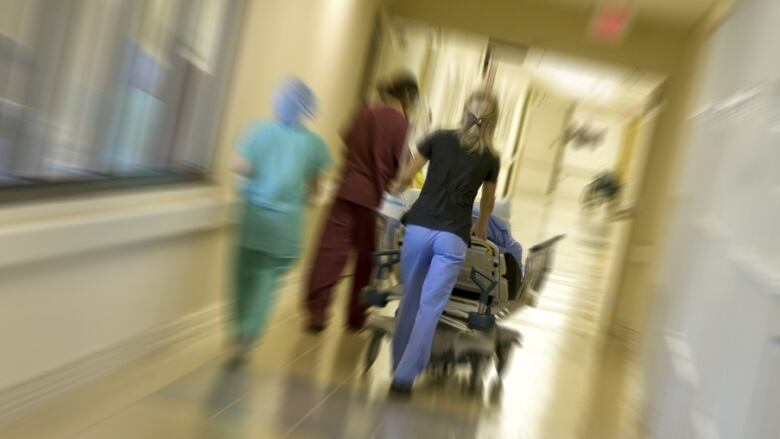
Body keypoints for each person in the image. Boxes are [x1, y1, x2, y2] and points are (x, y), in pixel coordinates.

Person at [388, 89, 501, 394]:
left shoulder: (437, 137)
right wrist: (481, 224)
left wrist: (396, 186)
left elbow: (407, 175)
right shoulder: (491, 157)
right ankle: (404, 379)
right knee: (431, 307)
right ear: (493, 121)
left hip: (419, 228)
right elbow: (487, 203)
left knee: (410, 297)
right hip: (452, 237)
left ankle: (397, 362)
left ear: (465, 110)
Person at [229, 77, 332, 367]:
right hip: (285, 225)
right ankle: (249, 333)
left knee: (242, 278)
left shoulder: (259, 132)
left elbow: (240, 166)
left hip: (253, 219)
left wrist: (256, 174)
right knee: (266, 281)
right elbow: (315, 189)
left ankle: (239, 329)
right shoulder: (314, 144)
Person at [304, 71, 419, 332]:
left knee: (331, 252)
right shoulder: (403, 125)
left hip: (346, 193)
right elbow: (405, 169)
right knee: (367, 260)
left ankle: (317, 312)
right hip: (377, 202)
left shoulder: (363, 112)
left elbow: (347, 142)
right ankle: (355, 318)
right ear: (409, 96)